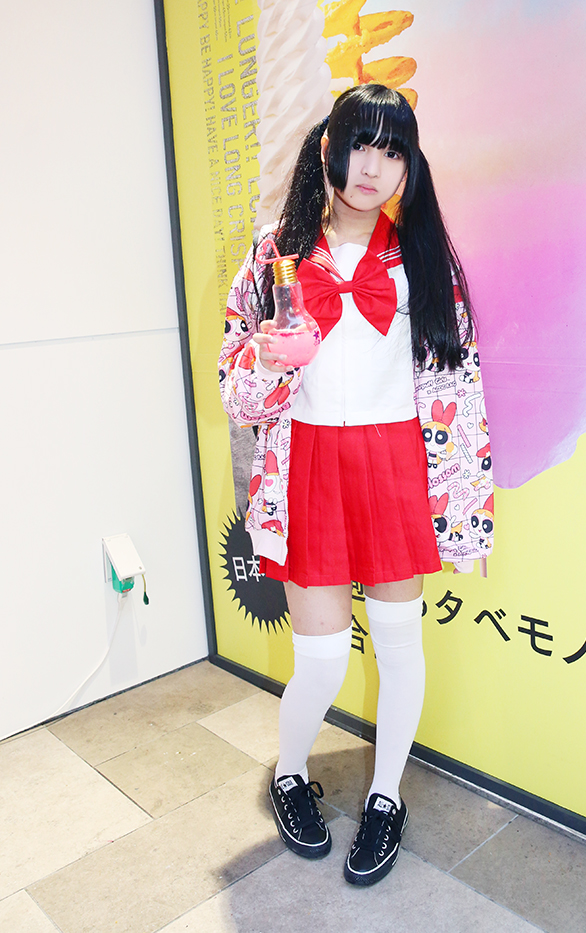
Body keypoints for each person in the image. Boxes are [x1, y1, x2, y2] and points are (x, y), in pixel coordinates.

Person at [219, 84, 494, 886]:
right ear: (327, 148)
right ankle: (290, 773)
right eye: (360, 145)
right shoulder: (274, 254)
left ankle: (385, 796)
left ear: (410, 166)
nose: (373, 166)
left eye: (393, 150)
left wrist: (465, 511)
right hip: (308, 466)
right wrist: (271, 357)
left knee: (402, 648)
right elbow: (235, 390)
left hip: (395, 466)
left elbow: (459, 389)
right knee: (322, 657)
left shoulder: (423, 258)